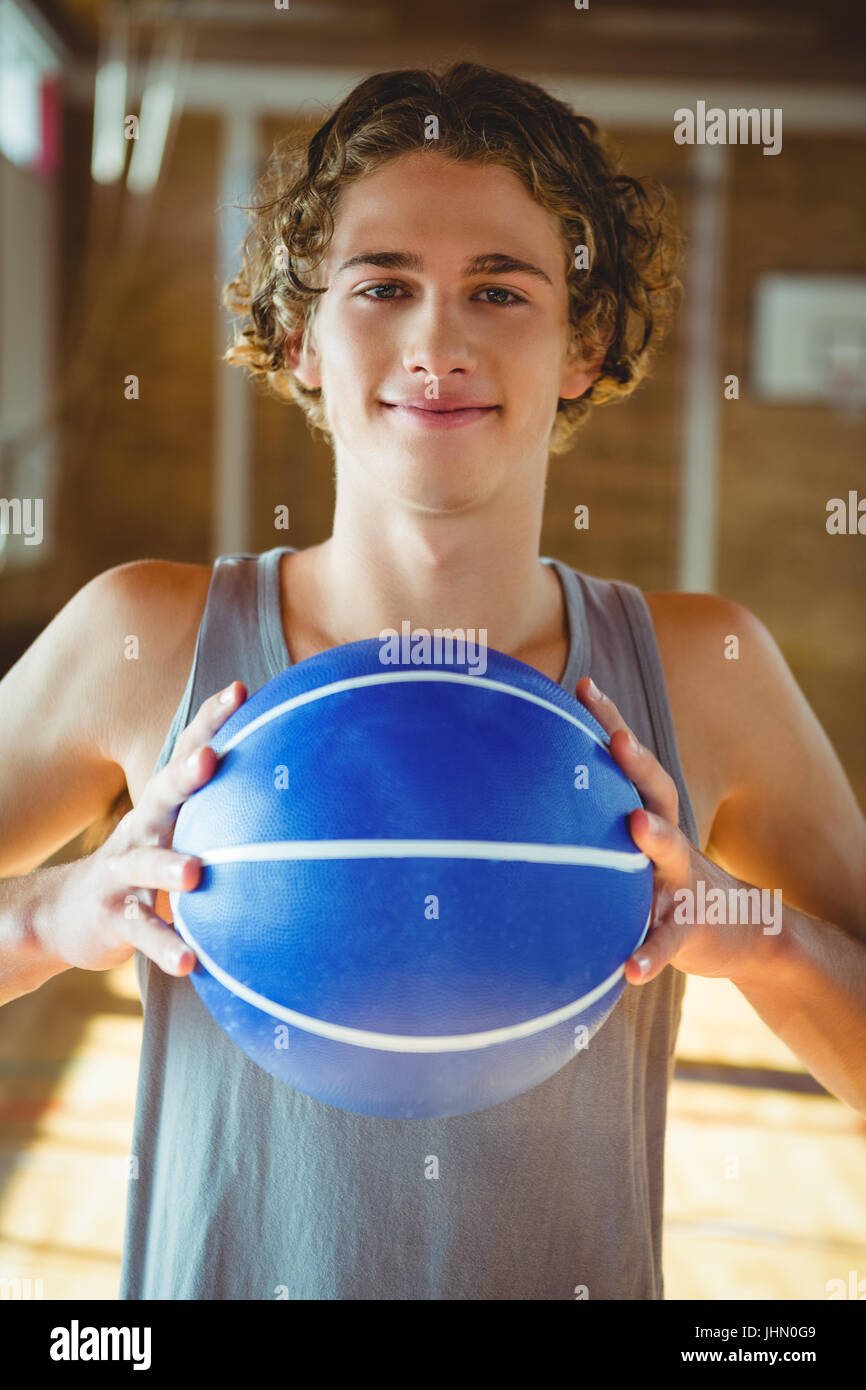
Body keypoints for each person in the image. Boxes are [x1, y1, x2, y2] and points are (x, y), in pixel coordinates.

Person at [1, 63, 864, 1301]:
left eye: (499, 289)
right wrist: (49, 915)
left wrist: (750, 926)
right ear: (300, 338)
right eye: (383, 284)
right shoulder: (145, 637)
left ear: (587, 342)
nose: (436, 342)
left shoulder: (701, 674)